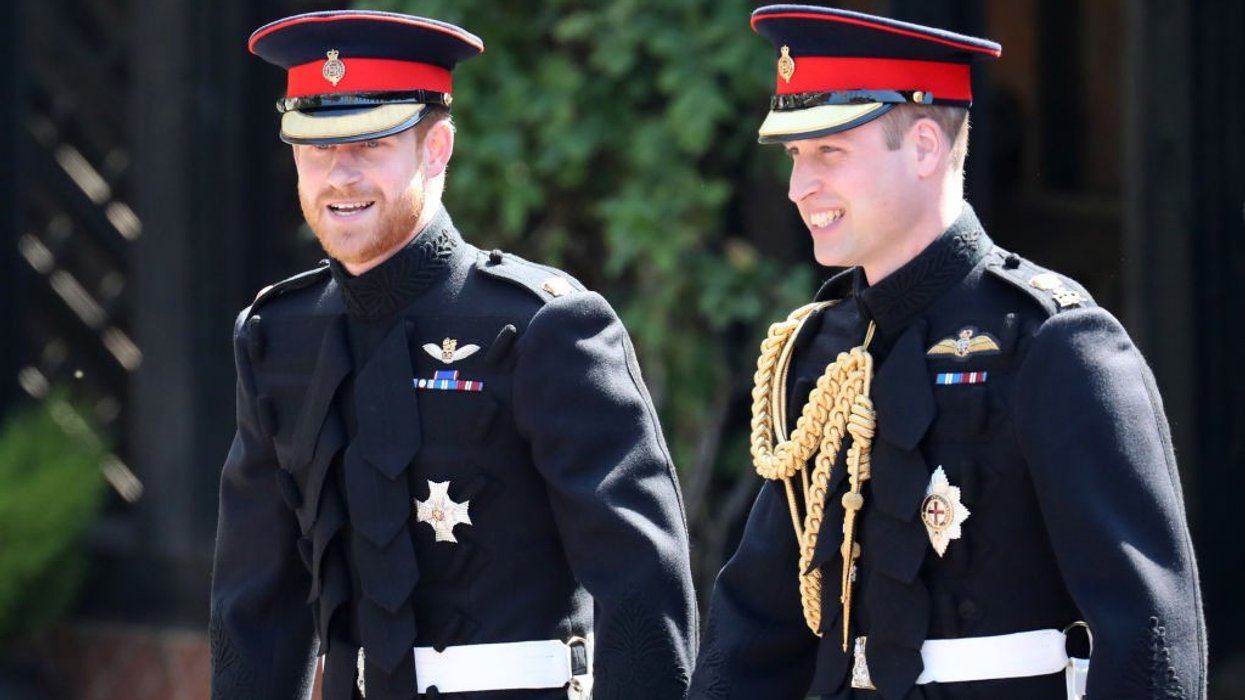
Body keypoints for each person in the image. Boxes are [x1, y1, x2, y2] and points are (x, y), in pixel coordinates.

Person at [687, 6, 1206, 699]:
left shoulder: (1054, 342)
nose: (798, 186)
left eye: (828, 152)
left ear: (925, 147)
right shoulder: (824, 350)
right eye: (793, 156)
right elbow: (756, 629)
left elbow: (1149, 636)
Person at [208, 10, 697, 700]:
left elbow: (642, 584)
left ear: (435, 149)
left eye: (370, 144)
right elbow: (253, 608)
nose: (339, 175)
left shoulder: (542, 325)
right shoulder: (275, 335)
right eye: (316, 147)